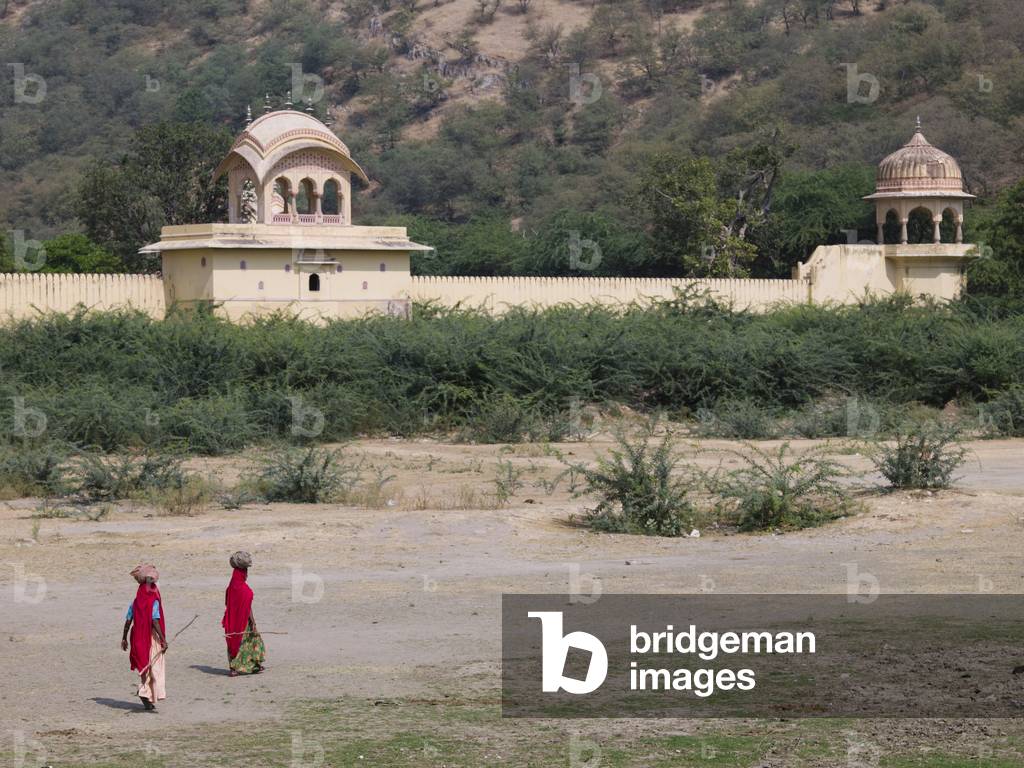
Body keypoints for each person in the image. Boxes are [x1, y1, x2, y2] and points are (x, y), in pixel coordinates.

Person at [121, 564, 167, 711]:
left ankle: (146, 695)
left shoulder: (135, 603)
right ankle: (144, 693)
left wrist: (124, 638)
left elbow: (128, 621)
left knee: (144, 667)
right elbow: (154, 620)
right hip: (150, 637)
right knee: (155, 667)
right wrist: (163, 639)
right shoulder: (153, 600)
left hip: (137, 637)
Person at [223, 551, 265, 676]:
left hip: (232, 620)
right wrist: (253, 621)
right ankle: (249, 665)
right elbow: (247, 608)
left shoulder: (231, 585)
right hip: (243, 620)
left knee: (233, 641)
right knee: (249, 640)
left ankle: (234, 668)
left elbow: (228, 602)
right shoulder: (243, 588)